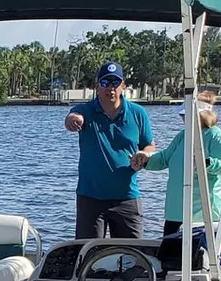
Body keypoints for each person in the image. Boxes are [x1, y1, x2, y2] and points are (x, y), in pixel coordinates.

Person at [64, 60, 155, 239]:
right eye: (105, 83)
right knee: (88, 254)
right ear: (97, 86)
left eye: (115, 83)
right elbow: (71, 117)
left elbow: (149, 145)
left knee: (133, 256)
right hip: (90, 197)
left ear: (123, 86)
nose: (110, 88)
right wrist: (73, 120)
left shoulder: (138, 113)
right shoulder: (85, 110)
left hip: (127, 195)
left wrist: (144, 154)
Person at [144, 87, 221, 234]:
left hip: (202, 215)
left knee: (198, 256)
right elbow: (165, 158)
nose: (183, 118)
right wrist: (145, 160)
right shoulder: (183, 136)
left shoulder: (217, 138)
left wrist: (207, 163)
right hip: (175, 213)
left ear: (202, 116)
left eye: (188, 115)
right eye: (183, 115)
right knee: (169, 255)